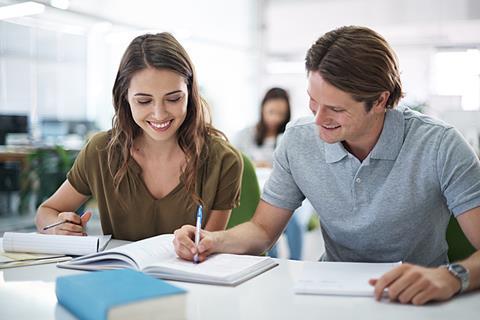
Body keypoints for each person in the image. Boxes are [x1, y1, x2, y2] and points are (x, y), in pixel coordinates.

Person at [173, 26, 480, 305]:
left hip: (416, 298)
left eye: (336, 109)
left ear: (380, 101)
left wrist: (452, 276)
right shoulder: (298, 140)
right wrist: (215, 240)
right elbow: (262, 231)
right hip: (329, 294)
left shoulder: (441, 145)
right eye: (313, 101)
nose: (318, 121)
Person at [35, 33, 243, 241]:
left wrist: (199, 247)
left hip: (187, 274)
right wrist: (56, 228)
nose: (160, 114)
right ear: (125, 97)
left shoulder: (223, 161)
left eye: (173, 98)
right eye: (144, 101)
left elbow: (208, 249)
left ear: (190, 93)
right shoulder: (100, 151)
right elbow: (46, 212)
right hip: (119, 273)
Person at [234, 87, 304, 260]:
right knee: (262, 225)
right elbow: (234, 163)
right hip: (251, 192)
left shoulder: (288, 137)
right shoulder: (244, 135)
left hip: (278, 193)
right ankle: (269, 260)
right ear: (262, 109)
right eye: (271, 112)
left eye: (281, 114)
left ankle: (296, 262)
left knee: (292, 222)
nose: (275, 118)